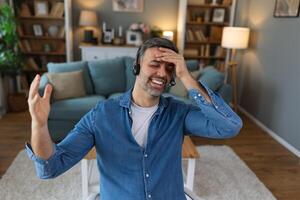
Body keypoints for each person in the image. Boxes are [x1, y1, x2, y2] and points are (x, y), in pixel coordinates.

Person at [26, 38, 243, 200]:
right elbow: (50, 168)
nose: (162, 73)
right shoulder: (101, 115)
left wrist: (186, 76)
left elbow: (229, 127)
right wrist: (39, 124)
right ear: (137, 66)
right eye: (155, 64)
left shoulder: (179, 113)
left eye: (169, 68)